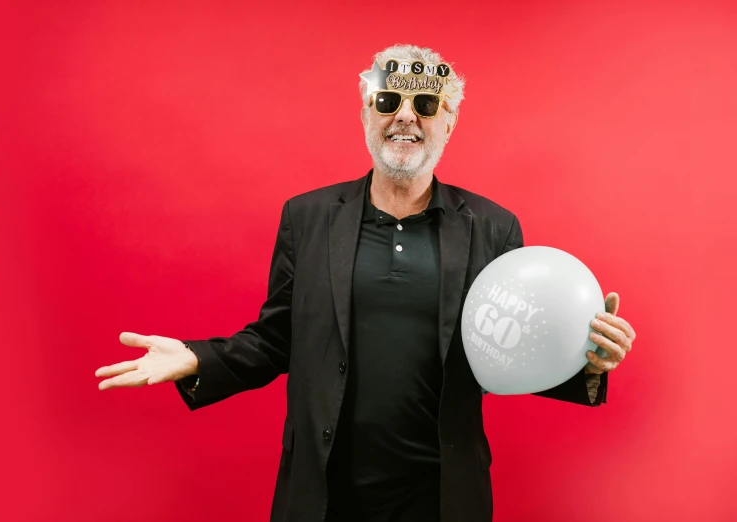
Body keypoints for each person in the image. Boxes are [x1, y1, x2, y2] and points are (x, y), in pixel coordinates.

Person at [95, 44, 637, 522]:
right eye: (388, 102)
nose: (406, 116)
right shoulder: (307, 217)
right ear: (365, 113)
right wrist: (196, 358)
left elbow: (512, 348)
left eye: (426, 104)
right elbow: (276, 338)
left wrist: (586, 361)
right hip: (326, 492)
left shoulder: (494, 227)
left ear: (449, 122)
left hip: (442, 496)